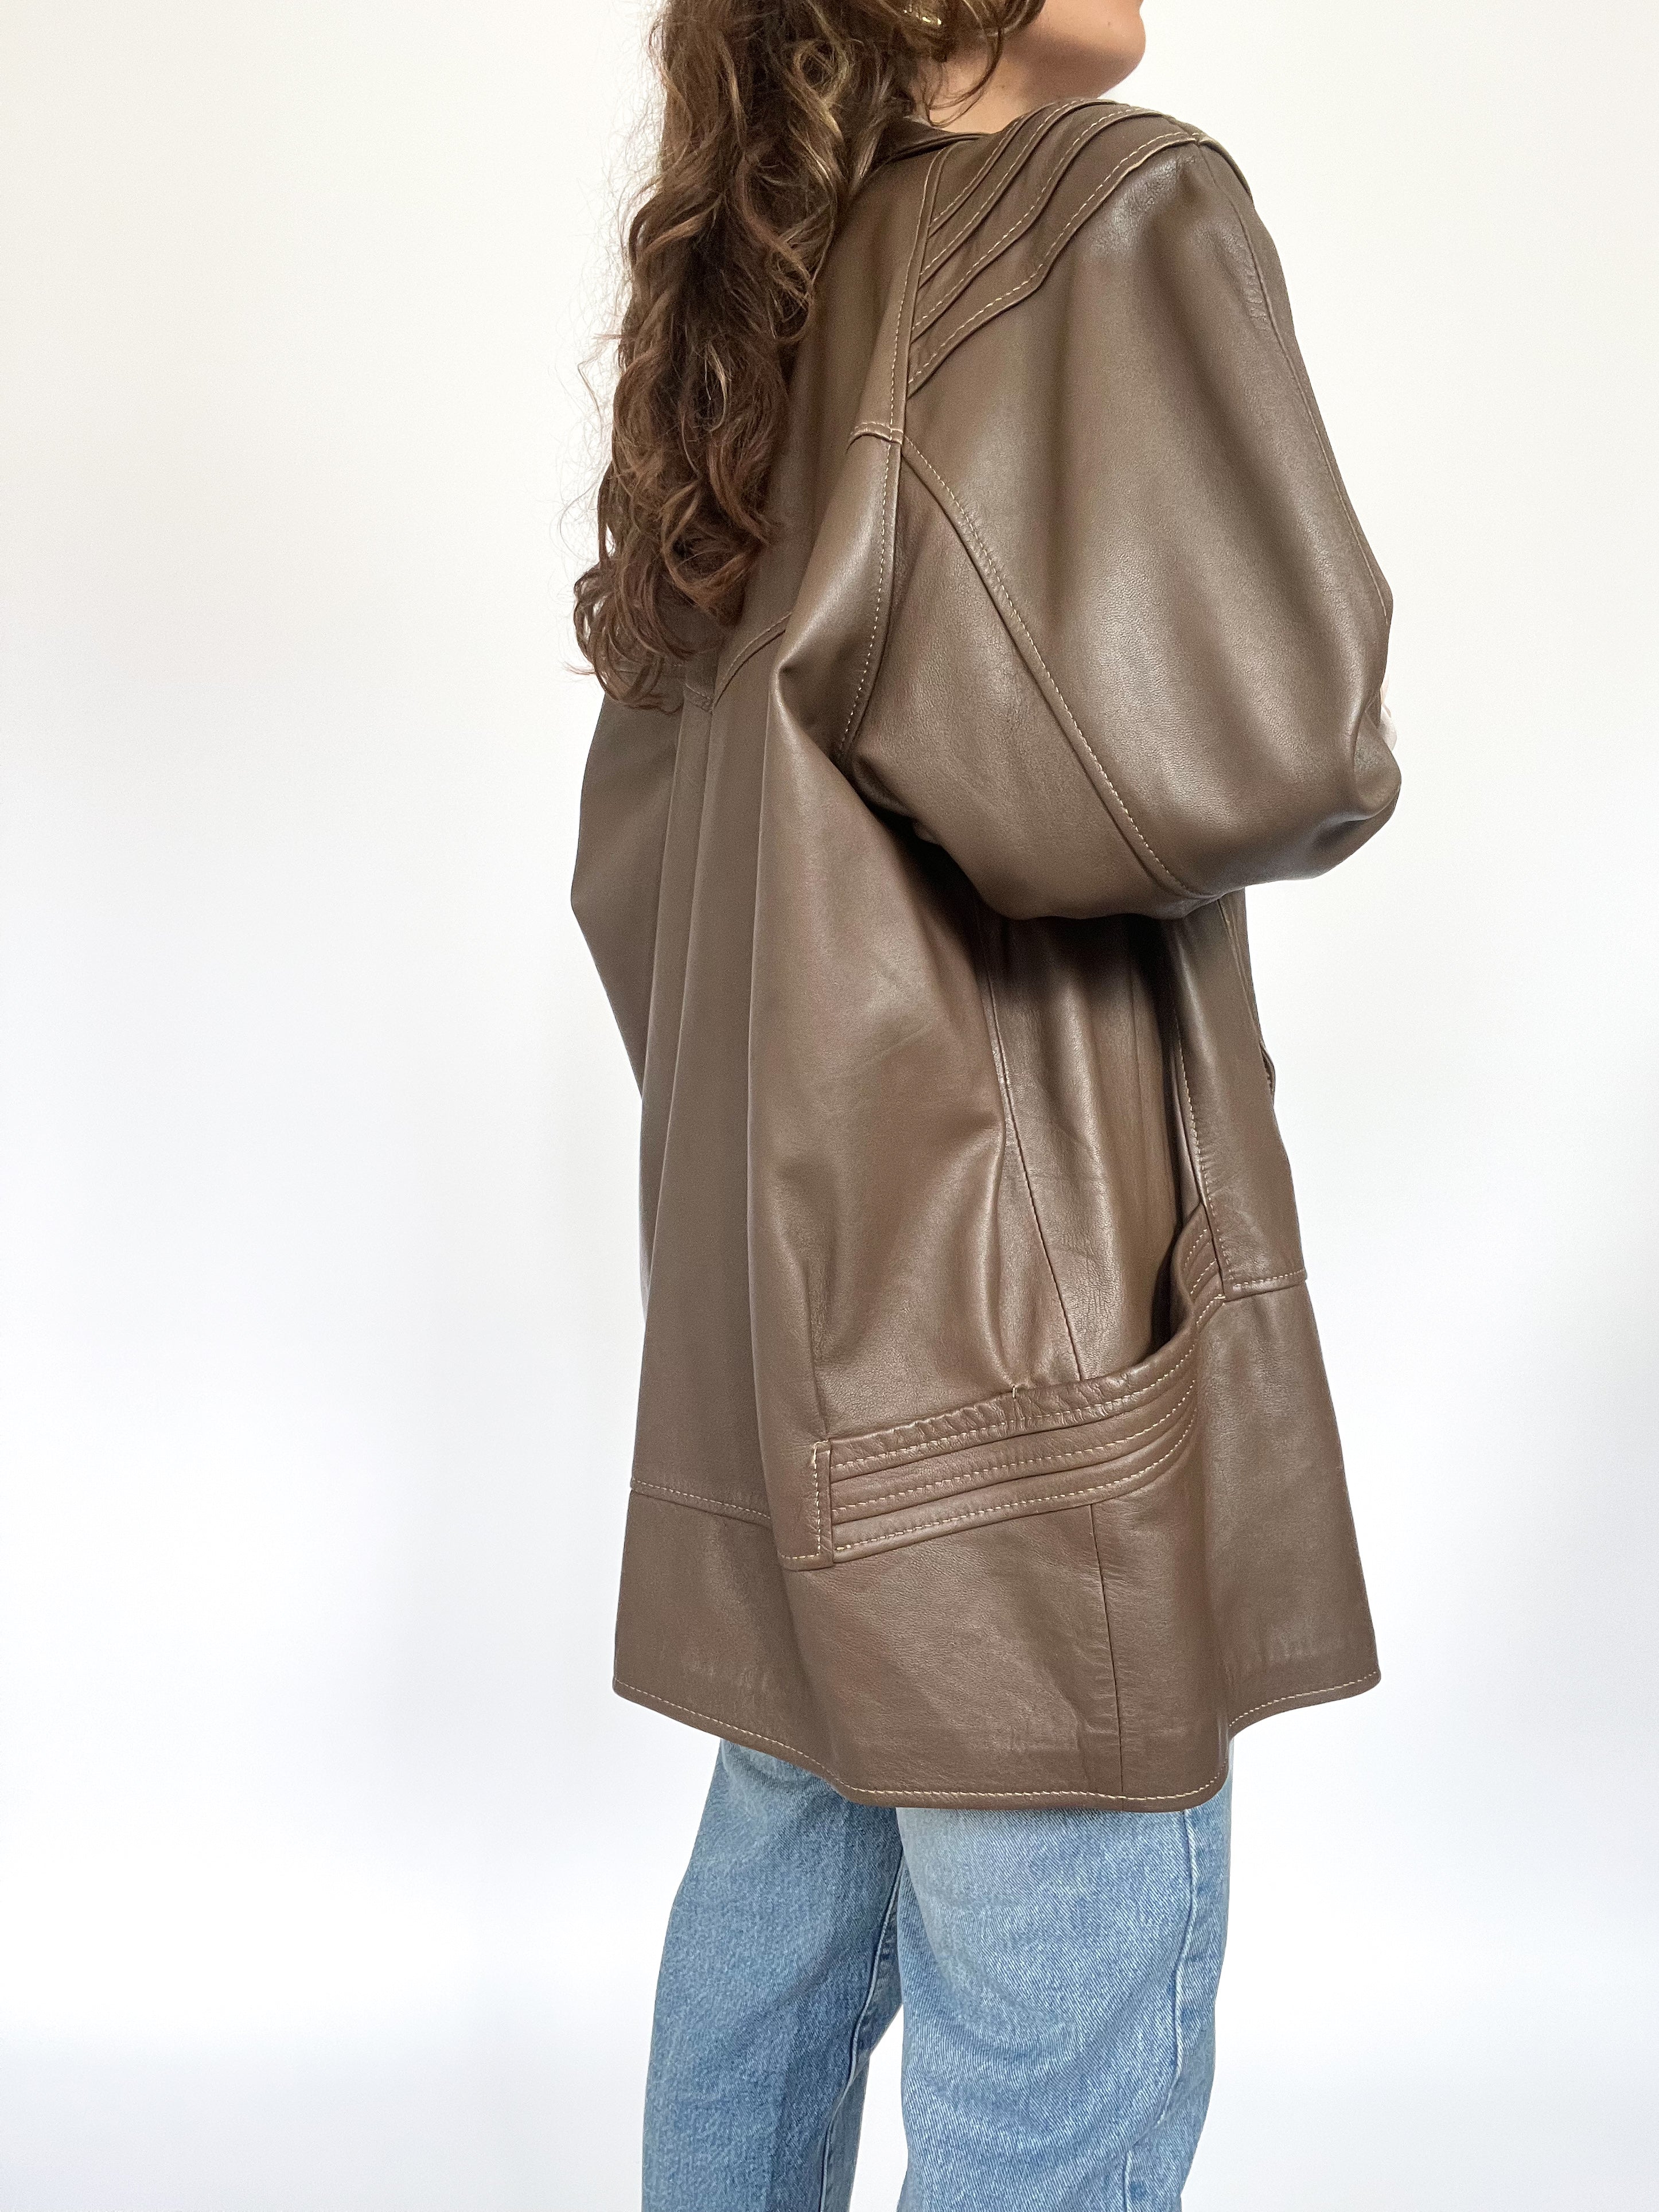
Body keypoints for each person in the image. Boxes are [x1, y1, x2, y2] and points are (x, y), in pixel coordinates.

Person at [571, 1, 1398, 2203]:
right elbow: (1273, 738)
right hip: (1022, 1362)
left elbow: (639, 884)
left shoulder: (747, 329)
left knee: (772, 1930)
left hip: (795, 1336)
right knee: (1053, 2059)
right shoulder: (1093, 212)